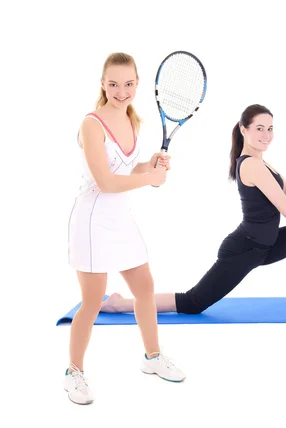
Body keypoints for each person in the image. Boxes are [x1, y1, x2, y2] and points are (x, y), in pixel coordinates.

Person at [101, 104, 286, 315]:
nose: (266, 134)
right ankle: (119, 304)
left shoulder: (262, 163)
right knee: (193, 303)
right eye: (259, 129)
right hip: (244, 250)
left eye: (270, 129)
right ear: (244, 130)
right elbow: (284, 208)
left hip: (267, 246)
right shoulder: (250, 165)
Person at [65, 52, 186, 405]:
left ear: (137, 84)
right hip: (91, 222)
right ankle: (73, 372)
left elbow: (127, 172)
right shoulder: (91, 124)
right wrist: (151, 178)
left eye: (129, 84)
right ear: (103, 84)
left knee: (145, 286)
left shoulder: (134, 121)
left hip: (121, 219)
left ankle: (152, 358)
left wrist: (149, 166)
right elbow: (103, 181)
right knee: (91, 300)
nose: (122, 91)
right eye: (114, 84)